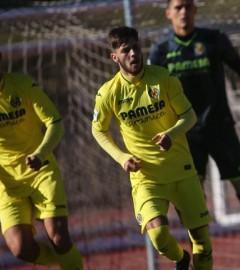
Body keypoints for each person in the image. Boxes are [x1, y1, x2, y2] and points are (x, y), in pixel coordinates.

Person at [148, 0, 240, 269]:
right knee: (192, 206)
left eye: (188, 6)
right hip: (187, 138)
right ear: (168, 13)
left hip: (221, 129)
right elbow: (153, 95)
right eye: (178, 7)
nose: (183, 12)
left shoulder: (214, 40)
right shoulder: (161, 51)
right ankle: (200, 258)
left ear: (195, 9)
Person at [91, 27, 212, 270]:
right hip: (147, 177)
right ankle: (180, 259)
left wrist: (171, 134)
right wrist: (121, 157)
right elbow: (98, 130)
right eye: (126, 50)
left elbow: (189, 116)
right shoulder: (108, 93)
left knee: (202, 241)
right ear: (115, 57)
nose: (134, 54)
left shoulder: (163, 78)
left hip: (181, 170)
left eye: (136, 47)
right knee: (158, 236)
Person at [0, 34, 83, 269]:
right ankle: (68, 260)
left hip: (41, 172)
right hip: (7, 183)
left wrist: (40, 154)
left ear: (1, 58)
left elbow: (55, 122)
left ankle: (68, 258)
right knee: (21, 249)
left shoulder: (23, 85)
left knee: (59, 236)